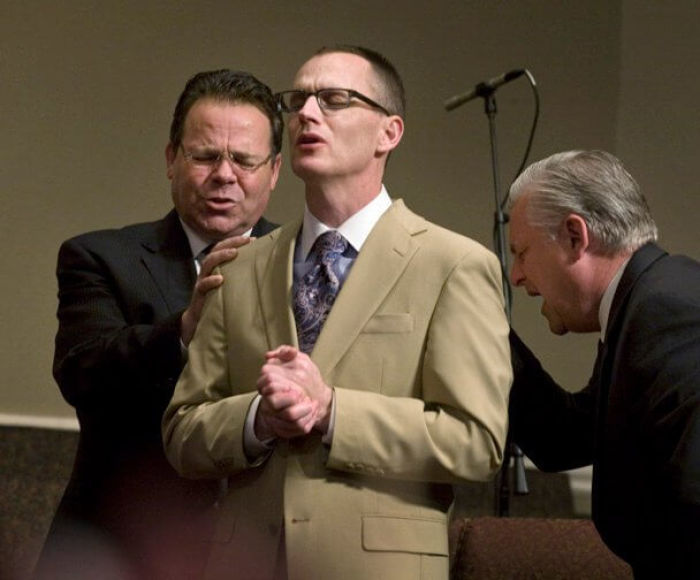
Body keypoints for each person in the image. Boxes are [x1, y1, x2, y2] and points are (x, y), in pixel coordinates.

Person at [162, 45, 512, 580]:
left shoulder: (454, 265)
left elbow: (476, 443)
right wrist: (257, 420)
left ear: (389, 132)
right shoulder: (239, 264)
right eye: (298, 99)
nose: (305, 112)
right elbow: (183, 433)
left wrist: (332, 411)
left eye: (335, 99)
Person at [34, 69, 283, 580]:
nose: (224, 175)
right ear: (172, 159)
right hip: (119, 547)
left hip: (259, 551)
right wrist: (186, 327)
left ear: (274, 171)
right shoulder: (100, 256)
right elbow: (83, 372)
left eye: (244, 160)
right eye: (206, 155)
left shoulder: (307, 266)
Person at [507, 150, 700, 579]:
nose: (516, 276)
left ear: (576, 236)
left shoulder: (668, 313)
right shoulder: (639, 306)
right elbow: (564, 438)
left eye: (521, 252)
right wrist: (481, 332)